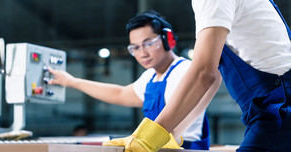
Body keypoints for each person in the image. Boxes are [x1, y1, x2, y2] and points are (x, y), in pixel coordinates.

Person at [103, 0, 291, 152]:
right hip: (273, 109)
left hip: (279, 109)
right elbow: (212, 80)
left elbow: (203, 73)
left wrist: (150, 136)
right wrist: (171, 133)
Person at [48, 10, 210, 150]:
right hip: (156, 148)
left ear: (168, 39)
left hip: (184, 148)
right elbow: (120, 93)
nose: (142, 53)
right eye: (136, 47)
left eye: (148, 44)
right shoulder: (150, 77)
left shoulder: (186, 71)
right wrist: (72, 82)